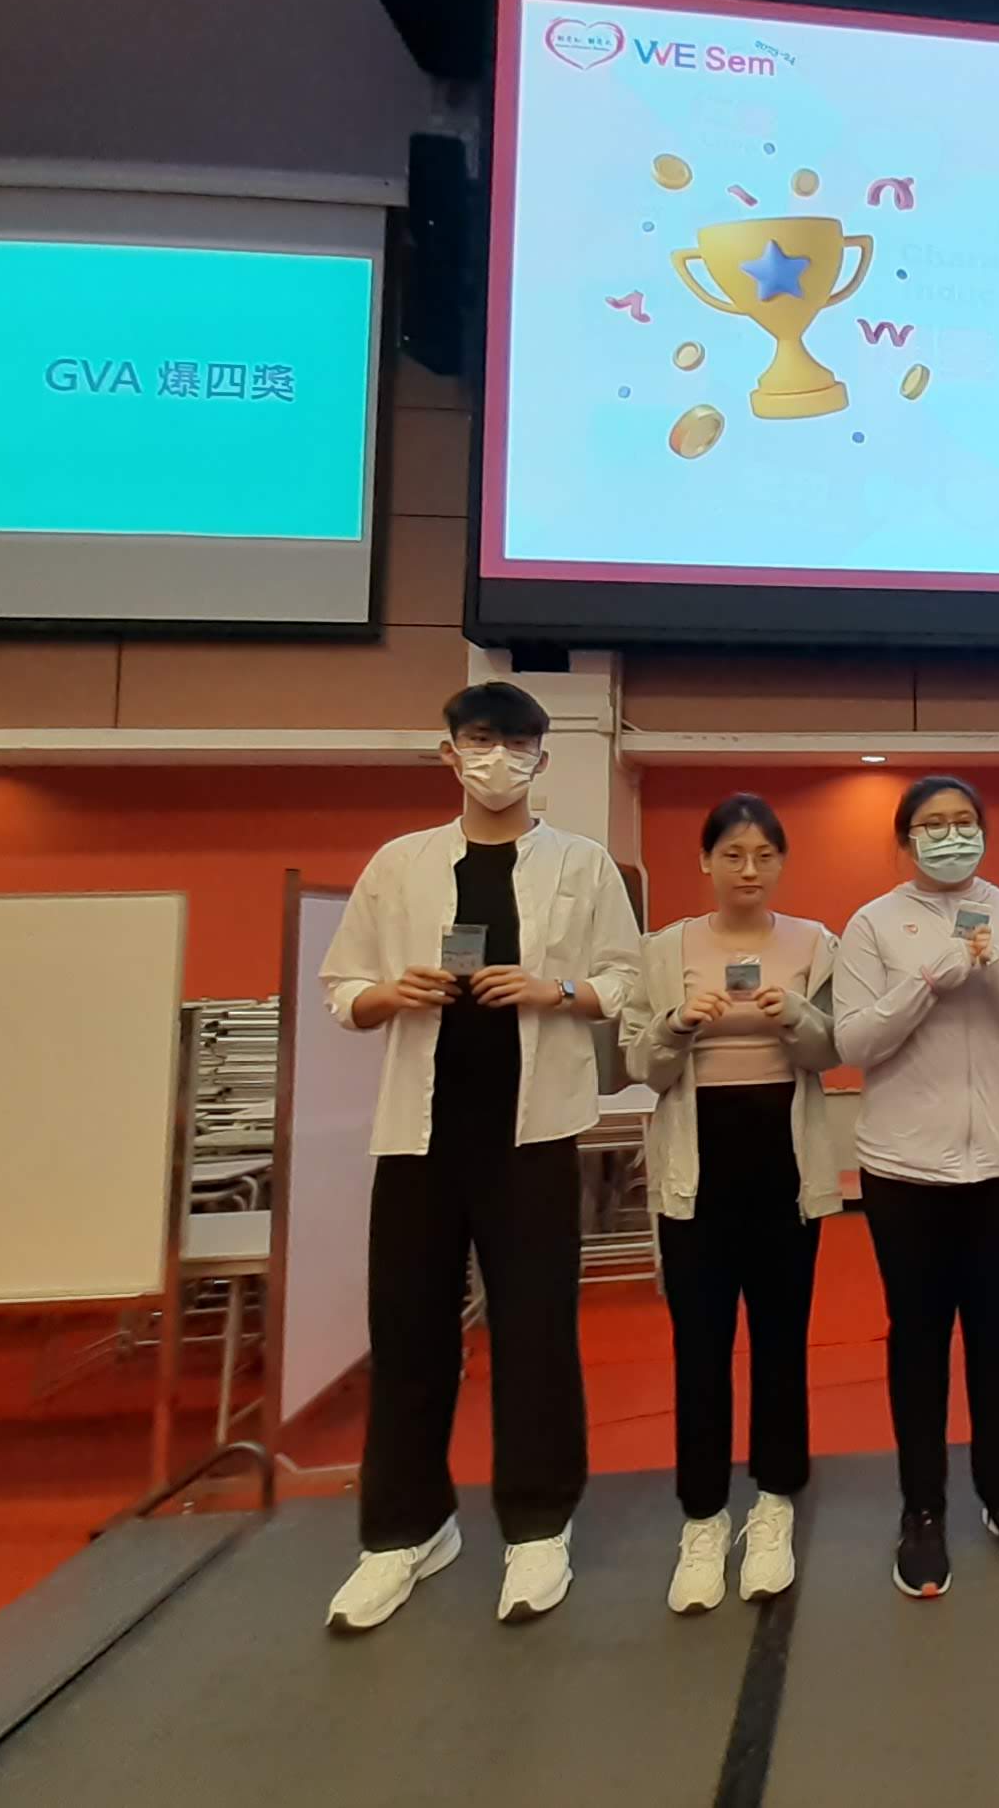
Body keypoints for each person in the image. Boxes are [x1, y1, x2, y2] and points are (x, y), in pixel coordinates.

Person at [318, 682, 639, 1632]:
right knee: (409, 1334)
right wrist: (391, 994)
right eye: (483, 739)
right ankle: (404, 1532)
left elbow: (625, 979)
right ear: (450, 752)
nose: (500, 758)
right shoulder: (400, 864)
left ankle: (538, 1527)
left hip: (532, 1134)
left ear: (543, 758)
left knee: (537, 1333)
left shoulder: (581, 863)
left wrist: (553, 989)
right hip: (419, 1136)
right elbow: (342, 986)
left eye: (519, 743)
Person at [836, 776, 999, 1597]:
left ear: (984, 830)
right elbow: (853, 1042)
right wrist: (927, 980)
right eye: (931, 824)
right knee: (918, 1340)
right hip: (904, 1169)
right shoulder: (873, 923)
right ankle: (923, 1509)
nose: (949, 835)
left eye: (963, 821)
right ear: (906, 840)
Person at [622, 793, 845, 1614]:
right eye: (732, 855)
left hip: (784, 1166)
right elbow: (638, 1064)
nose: (749, 870)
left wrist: (798, 1018)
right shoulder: (663, 949)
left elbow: (835, 1049)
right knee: (701, 1346)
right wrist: (678, 1024)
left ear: (781, 862)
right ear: (706, 862)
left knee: (781, 1342)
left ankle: (775, 1503)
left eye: (764, 855)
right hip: (696, 1167)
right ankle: (703, 1517)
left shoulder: (816, 943)